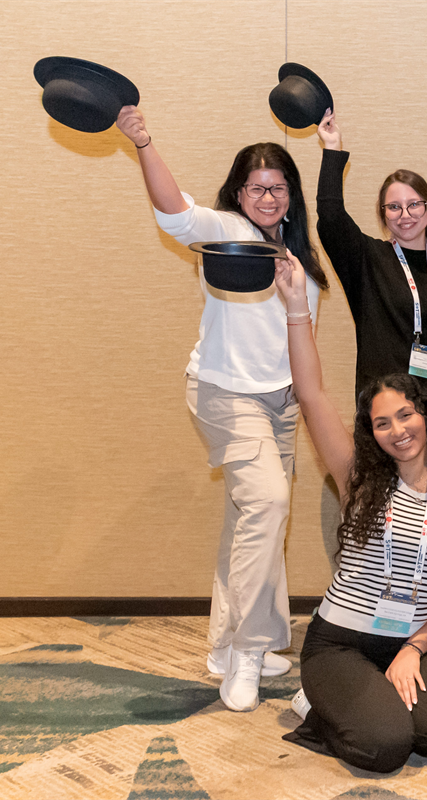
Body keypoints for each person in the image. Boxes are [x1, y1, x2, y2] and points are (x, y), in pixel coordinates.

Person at [114, 106, 327, 711]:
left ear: (291, 195)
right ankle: (250, 652)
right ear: (240, 191)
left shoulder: (298, 255)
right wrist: (144, 144)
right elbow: (173, 211)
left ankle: (221, 644)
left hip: (280, 401)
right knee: (269, 501)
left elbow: (300, 333)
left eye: (279, 188)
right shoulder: (226, 229)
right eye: (258, 187)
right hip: (223, 393)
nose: (268, 197)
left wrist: (303, 398)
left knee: (251, 518)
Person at [274, 254, 427, 772]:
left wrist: (417, 646)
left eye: (406, 415)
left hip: (413, 638)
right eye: (381, 423)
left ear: (425, 415)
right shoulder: (359, 478)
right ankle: (319, 706)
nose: (398, 430)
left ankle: (373, 695)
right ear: (371, 434)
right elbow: (311, 393)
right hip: (341, 642)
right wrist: (297, 307)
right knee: (384, 746)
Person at [315, 110, 427, 439]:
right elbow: (331, 218)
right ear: (383, 214)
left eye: (414, 204)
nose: (405, 215)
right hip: (386, 421)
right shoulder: (368, 259)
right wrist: (332, 149)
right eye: (394, 207)